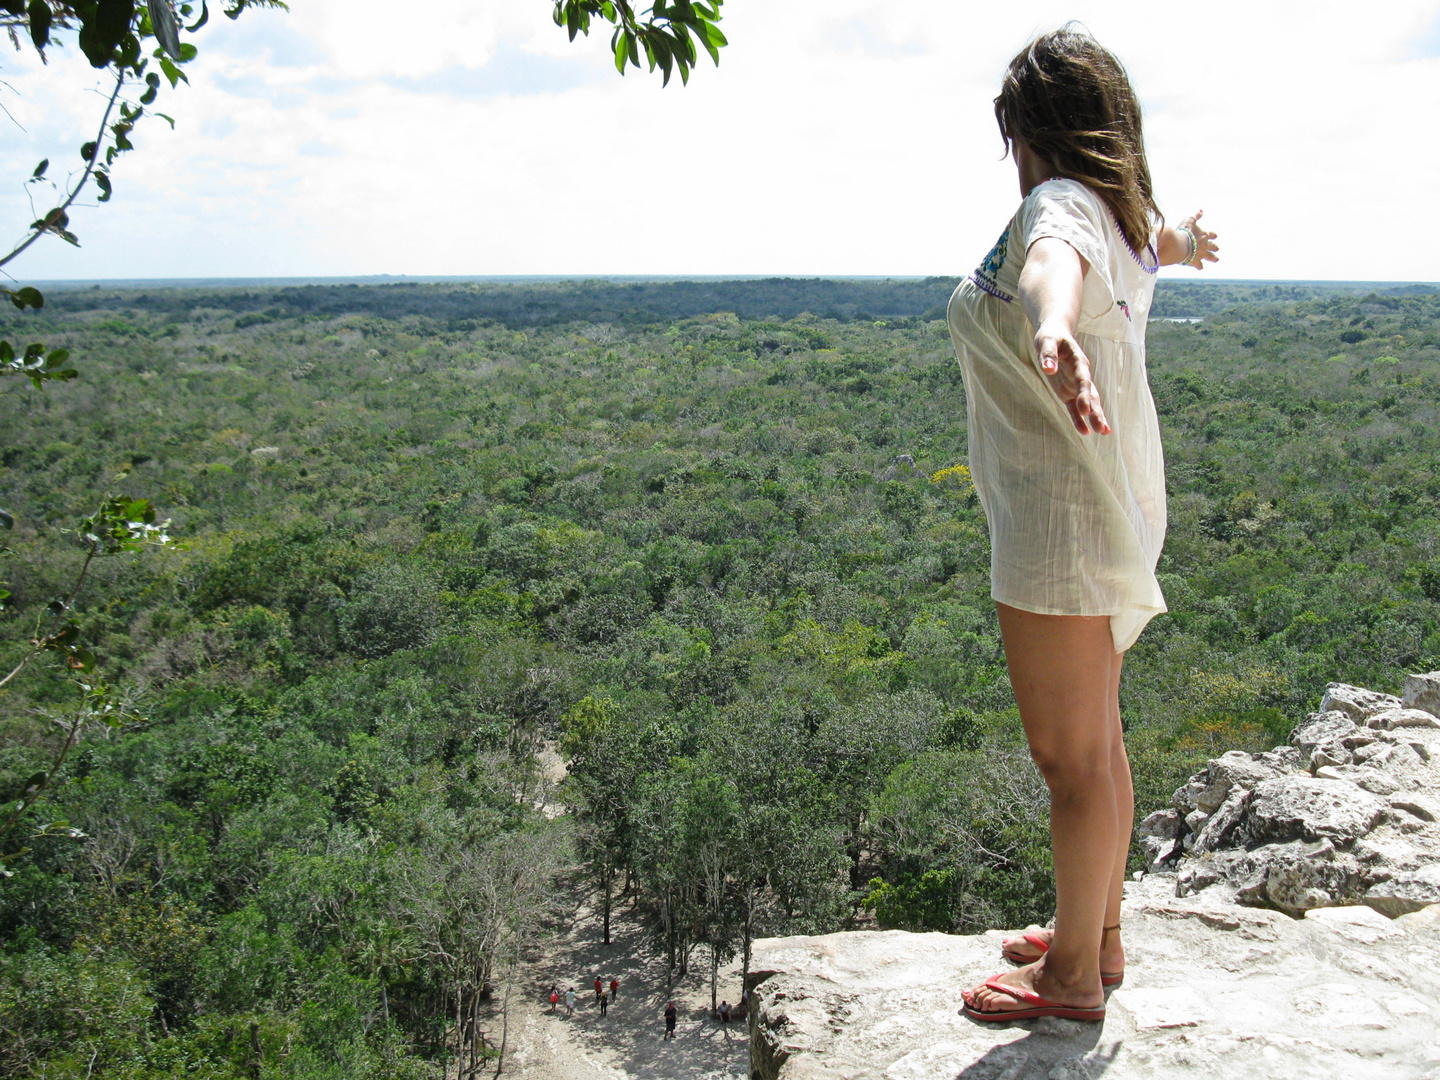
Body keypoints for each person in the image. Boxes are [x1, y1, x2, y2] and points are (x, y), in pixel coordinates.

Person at [947, 27, 1218, 1024]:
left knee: (1069, 762)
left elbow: (1049, 264)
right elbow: (1155, 243)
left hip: (1060, 528)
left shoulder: (1060, 208)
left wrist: (1054, 325)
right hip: (1101, 515)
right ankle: (1093, 939)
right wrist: (1185, 239)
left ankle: (1067, 984)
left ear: (1029, 129)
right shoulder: (1119, 212)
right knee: (1098, 742)